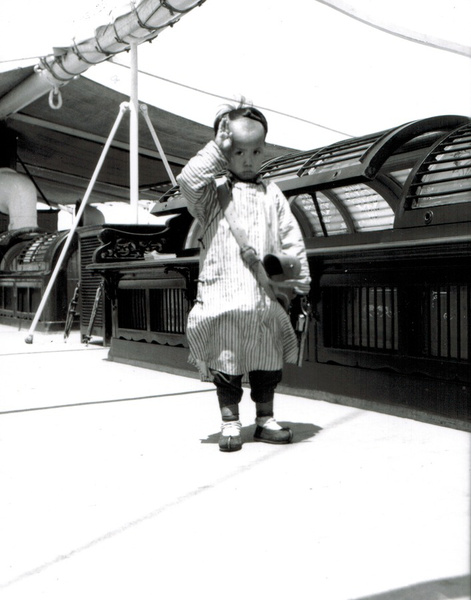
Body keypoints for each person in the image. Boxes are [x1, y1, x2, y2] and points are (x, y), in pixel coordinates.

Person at [177, 102, 311, 452]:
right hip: (223, 297)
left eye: (255, 151)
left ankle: (265, 418)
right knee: (227, 363)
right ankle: (230, 422)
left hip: (263, 299)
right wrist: (214, 153)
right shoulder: (211, 195)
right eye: (237, 151)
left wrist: (295, 283)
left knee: (267, 362)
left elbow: (291, 237)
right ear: (225, 152)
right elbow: (188, 181)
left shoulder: (273, 194)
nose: (248, 160)